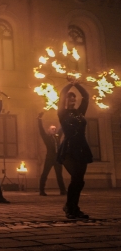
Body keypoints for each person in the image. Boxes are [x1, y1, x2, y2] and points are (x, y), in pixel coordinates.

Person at [57, 80, 92, 219]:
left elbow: (86, 96)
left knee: (80, 181)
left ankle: (73, 207)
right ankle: (70, 208)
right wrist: (69, 84)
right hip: (69, 150)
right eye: (69, 97)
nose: (72, 99)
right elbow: (61, 94)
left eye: (74, 97)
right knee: (76, 177)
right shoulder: (62, 113)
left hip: (82, 148)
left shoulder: (80, 111)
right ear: (65, 99)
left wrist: (77, 84)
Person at [37, 112, 67, 196]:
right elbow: (41, 129)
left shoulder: (57, 137)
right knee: (45, 174)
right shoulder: (46, 137)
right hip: (50, 158)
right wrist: (39, 119)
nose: (54, 130)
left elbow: (61, 128)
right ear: (49, 130)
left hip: (57, 159)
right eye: (52, 129)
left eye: (55, 128)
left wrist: (63, 117)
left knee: (59, 175)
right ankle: (41, 190)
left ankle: (63, 190)